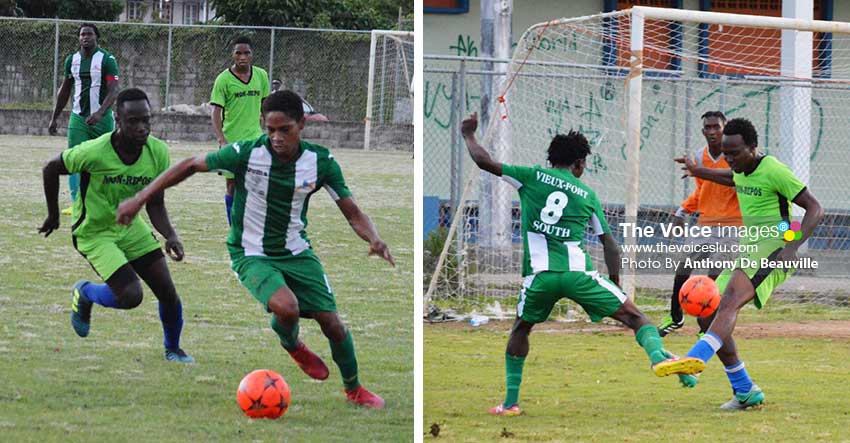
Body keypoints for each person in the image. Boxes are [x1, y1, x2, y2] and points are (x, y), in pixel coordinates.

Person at [116, 90, 394, 408]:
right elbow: (191, 164)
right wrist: (139, 200)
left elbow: (353, 212)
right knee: (287, 308)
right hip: (250, 252)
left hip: (297, 251)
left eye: (284, 130)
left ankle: (354, 390)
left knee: (332, 323)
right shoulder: (246, 153)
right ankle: (292, 343)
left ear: (302, 124)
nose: (276, 137)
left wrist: (373, 238)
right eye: (270, 129)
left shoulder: (320, 162)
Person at [460, 113, 695, 417]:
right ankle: (657, 357)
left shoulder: (529, 176)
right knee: (637, 319)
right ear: (579, 163)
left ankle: (510, 403)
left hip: (540, 277)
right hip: (578, 275)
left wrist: (469, 135)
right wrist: (614, 283)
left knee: (521, 328)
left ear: (552, 158)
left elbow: (484, 161)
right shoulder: (587, 195)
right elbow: (610, 244)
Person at [656, 118, 824, 409]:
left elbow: (815, 208)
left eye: (735, 154)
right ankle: (745, 390)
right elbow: (730, 178)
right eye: (726, 153)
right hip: (750, 247)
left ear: (753, 148)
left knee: (730, 299)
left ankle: (696, 358)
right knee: (708, 312)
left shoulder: (773, 169)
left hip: (776, 244)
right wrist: (699, 171)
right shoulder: (740, 169)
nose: (730, 160)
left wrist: (793, 246)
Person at [39, 88, 193, 363]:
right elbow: (50, 168)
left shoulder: (157, 152)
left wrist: (170, 235)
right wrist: (54, 215)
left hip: (131, 229)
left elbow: (155, 203)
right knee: (131, 296)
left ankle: (174, 349)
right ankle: (85, 292)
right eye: (133, 121)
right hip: (95, 232)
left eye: (146, 120)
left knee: (167, 292)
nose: (142, 127)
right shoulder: (95, 151)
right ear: (117, 120)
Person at [658, 111, 742, 337]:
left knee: (714, 274)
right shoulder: (698, 156)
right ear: (703, 131)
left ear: (725, 129)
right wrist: (682, 211)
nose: (713, 131)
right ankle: (675, 318)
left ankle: (707, 325)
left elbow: (737, 182)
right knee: (682, 268)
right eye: (708, 127)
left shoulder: (736, 155)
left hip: (733, 226)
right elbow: (702, 190)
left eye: (717, 127)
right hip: (705, 223)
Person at [48, 23, 120, 216]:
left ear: (97, 37)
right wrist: (54, 117)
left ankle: (105, 201)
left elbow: (114, 90)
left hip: (102, 119)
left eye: (89, 34)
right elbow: (64, 91)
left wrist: (100, 113)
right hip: (78, 118)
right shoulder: (72, 60)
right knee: (74, 158)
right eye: (82, 34)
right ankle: (77, 203)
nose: (85, 37)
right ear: (78, 38)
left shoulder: (107, 59)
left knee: (104, 160)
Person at [210, 35, 270, 225]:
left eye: (246, 53)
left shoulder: (261, 75)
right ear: (232, 55)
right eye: (238, 53)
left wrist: (271, 131)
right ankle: (234, 226)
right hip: (232, 141)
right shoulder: (223, 79)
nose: (242, 57)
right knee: (232, 185)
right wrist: (221, 139)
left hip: (256, 140)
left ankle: (254, 223)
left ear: (252, 55)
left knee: (258, 183)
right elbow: (215, 111)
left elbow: (266, 105)